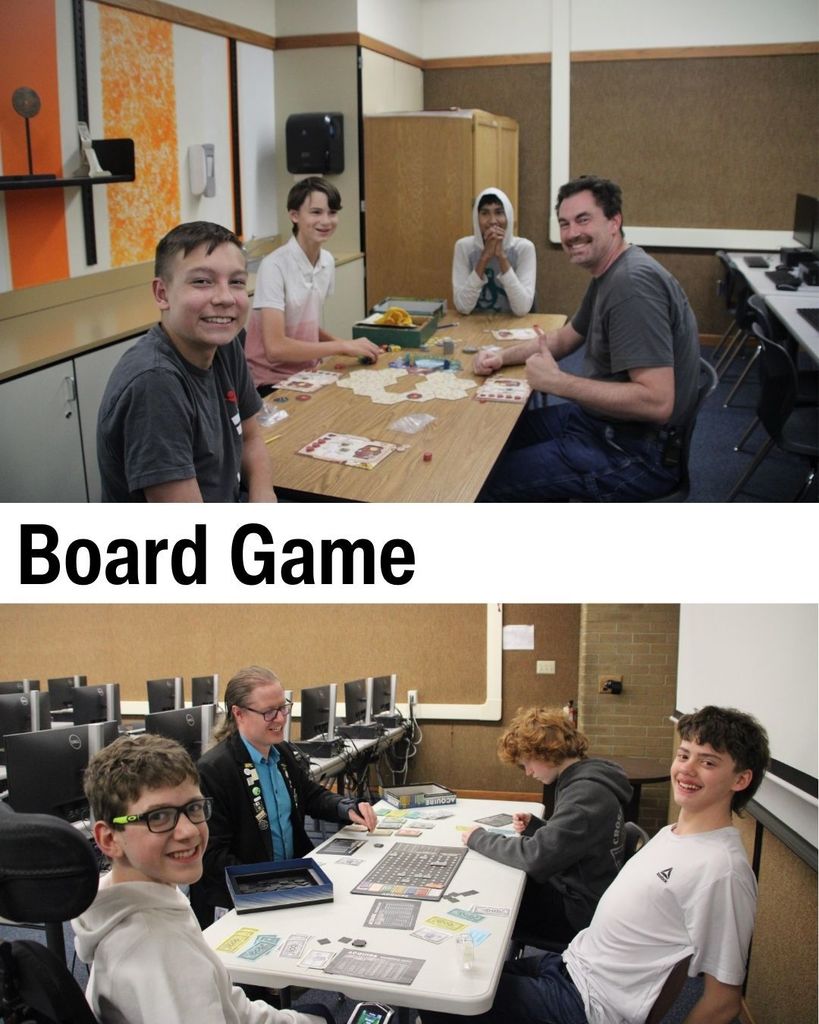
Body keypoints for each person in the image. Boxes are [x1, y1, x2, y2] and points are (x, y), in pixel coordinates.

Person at [421, 705, 770, 1024]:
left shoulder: (722, 870)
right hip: (571, 966)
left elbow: (724, 1001)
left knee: (443, 1002)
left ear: (740, 780)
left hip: (586, 1003)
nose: (687, 770)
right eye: (683, 755)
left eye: (707, 763)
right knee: (440, 981)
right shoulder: (672, 834)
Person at [71, 733, 334, 1024]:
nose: (189, 831)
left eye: (194, 808)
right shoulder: (161, 952)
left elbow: (229, 1004)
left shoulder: (141, 900)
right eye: (158, 817)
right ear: (109, 839)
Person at [475, 175, 701, 501]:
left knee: (480, 483)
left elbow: (657, 403)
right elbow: (565, 338)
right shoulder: (609, 272)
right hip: (601, 423)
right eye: (564, 224)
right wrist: (500, 356)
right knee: (494, 440)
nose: (571, 234)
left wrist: (558, 382)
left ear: (614, 222)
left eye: (583, 220)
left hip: (635, 453)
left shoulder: (631, 285)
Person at [97, 221, 275, 502]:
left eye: (237, 282)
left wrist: (263, 498)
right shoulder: (155, 382)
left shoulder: (225, 344)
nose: (225, 298)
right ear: (162, 294)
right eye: (202, 281)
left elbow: (250, 437)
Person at [190, 665, 378, 928]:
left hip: (286, 884)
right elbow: (212, 856)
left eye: (283, 708)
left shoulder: (282, 752)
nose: (280, 719)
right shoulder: (214, 770)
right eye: (269, 712)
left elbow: (309, 795)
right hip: (242, 899)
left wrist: (346, 807)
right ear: (239, 713)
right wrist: (274, 882)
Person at [462, 707, 632, 946]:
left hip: (577, 914)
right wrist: (537, 827)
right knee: (506, 880)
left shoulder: (584, 796)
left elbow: (535, 858)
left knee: (495, 901)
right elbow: (575, 838)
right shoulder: (587, 779)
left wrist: (478, 838)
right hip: (583, 892)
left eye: (527, 763)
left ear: (546, 752)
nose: (528, 772)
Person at [245, 176, 381, 394]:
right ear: (294, 215)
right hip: (270, 382)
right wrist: (341, 346)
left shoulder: (327, 261)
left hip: (310, 373)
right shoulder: (274, 266)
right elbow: (275, 348)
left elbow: (304, 326)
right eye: (316, 212)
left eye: (332, 212)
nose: (326, 221)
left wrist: (348, 346)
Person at [452, 187, 536, 316]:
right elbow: (463, 307)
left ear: (508, 216)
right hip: (473, 324)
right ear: (476, 218)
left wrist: (502, 257)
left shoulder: (524, 248)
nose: (492, 221)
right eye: (485, 213)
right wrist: (484, 258)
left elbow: (522, 309)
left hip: (512, 324)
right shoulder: (464, 247)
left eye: (499, 213)